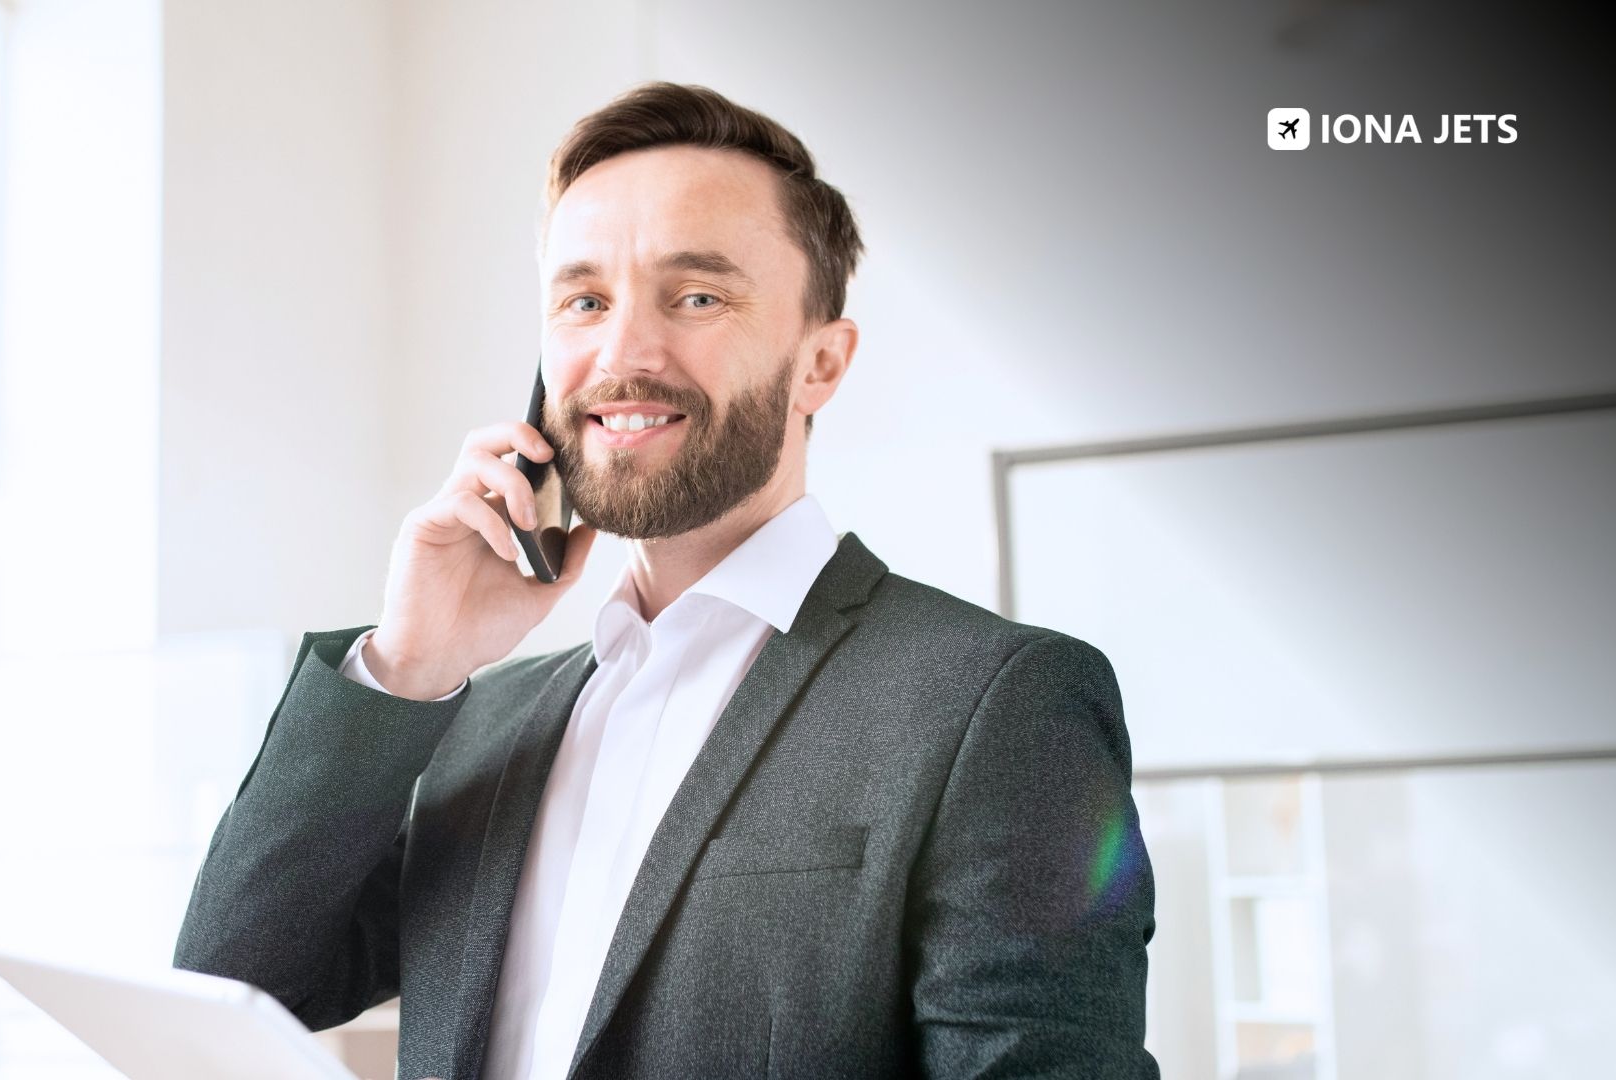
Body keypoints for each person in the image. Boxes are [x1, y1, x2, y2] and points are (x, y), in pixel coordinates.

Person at [173, 81, 1158, 1080]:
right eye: (584, 301)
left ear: (821, 363)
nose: (623, 353)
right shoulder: (484, 719)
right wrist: (409, 661)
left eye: (697, 296)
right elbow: (233, 989)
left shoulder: (998, 704)